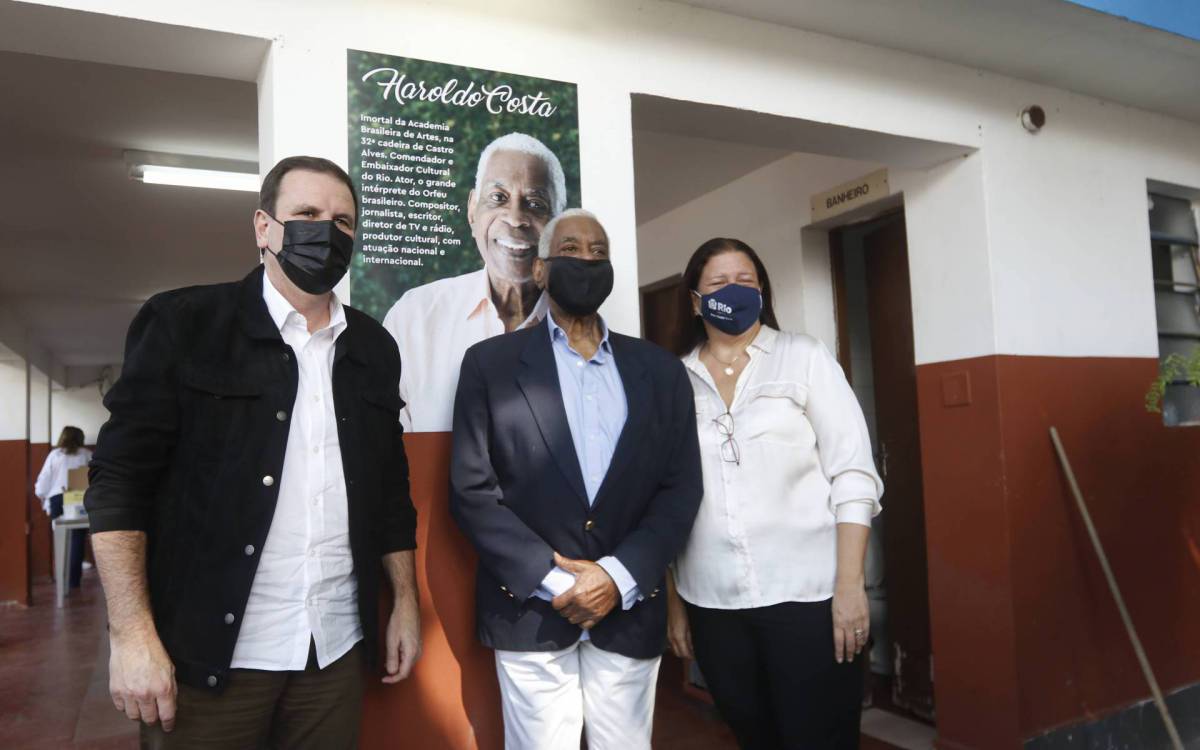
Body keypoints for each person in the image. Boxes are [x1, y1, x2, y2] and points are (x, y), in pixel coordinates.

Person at [84, 156, 422, 749]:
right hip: (210, 657)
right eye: (308, 214)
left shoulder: (374, 347)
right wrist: (131, 634)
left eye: (343, 221)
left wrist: (405, 603)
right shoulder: (184, 323)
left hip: (334, 650)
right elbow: (119, 483)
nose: (327, 231)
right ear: (264, 228)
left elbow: (390, 491)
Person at [450, 209, 702, 749]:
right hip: (531, 610)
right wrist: (559, 581)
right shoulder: (489, 365)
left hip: (629, 605)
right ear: (539, 271)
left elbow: (681, 488)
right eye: (570, 250)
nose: (585, 261)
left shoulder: (660, 372)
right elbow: (473, 491)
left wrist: (616, 576)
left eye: (597, 252)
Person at [664, 238, 883, 750]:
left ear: (762, 290)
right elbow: (666, 498)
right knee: (753, 733)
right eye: (718, 283)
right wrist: (676, 607)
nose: (733, 292)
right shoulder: (674, 379)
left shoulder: (802, 358)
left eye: (745, 281)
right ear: (695, 300)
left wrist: (850, 587)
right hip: (713, 601)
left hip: (808, 595)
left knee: (819, 737)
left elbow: (853, 474)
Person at [383, 132, 566, 432]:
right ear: (472, 209)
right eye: (498, 198)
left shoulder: (583, 333)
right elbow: (387, 447)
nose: (516, 218)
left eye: (535, 203)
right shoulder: (414, 317)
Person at [34, 425, 92, 588]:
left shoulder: (55, 455)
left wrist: (42, 495)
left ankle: (60, 575)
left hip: (57, 499)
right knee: (78, 538)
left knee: (60, 538)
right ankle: (73, 580)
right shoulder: (87, 455)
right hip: (78, 499)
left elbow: (44, 480)